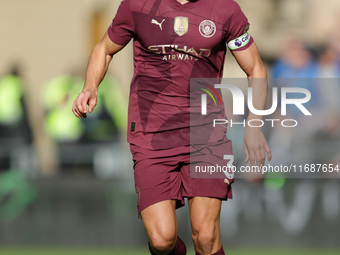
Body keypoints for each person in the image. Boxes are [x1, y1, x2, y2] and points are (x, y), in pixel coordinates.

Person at [72, 0, 271, 254]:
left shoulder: (225, 9)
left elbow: (255, 69)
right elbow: (104, 49)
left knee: (206, 237)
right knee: (162, 240)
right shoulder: (138, 5)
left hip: (206, 134)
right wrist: (90, 86)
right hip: (151, 134)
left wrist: (253, 126)